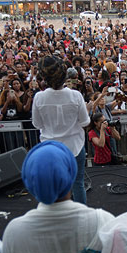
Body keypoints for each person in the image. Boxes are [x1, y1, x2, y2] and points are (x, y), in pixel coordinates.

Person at [32, 56, 90, 204]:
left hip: (50, 149)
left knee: (55, 184)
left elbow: (37, 124)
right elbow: (85, 122)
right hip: (75, 147)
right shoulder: (75, 95)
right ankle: (80, 217)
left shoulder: (39, 97)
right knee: (78, 184)